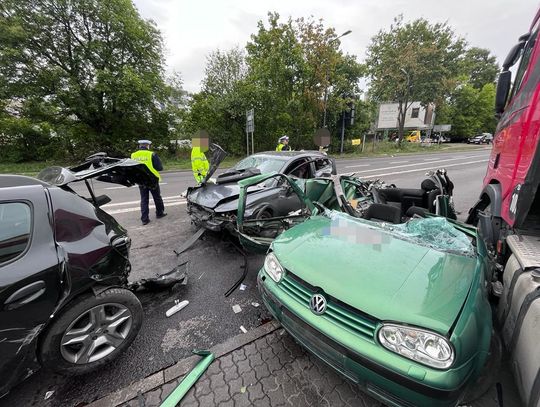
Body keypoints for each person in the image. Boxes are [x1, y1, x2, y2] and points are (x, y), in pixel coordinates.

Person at [131, 140, 166, 225]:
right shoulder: (151, 154)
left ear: (139, 146)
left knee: (144, 199)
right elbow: (159, 168)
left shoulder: (133, 155)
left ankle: (144, 219)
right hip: (152, 179)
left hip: (140, 180)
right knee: (157, 197)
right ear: (148, 146)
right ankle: (159, 213)